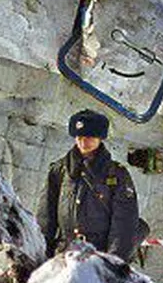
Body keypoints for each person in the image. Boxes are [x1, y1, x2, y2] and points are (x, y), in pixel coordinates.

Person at [42, 109, 143, 261]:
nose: (83, 143)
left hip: (98, 256)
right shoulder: (60, 170)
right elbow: (46, 215)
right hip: (63, 255)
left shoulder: (117, 175)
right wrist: (42, 251)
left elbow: (124, 222)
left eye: (89, 137)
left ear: (100, 138)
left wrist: (113, 261)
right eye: (80, 137)